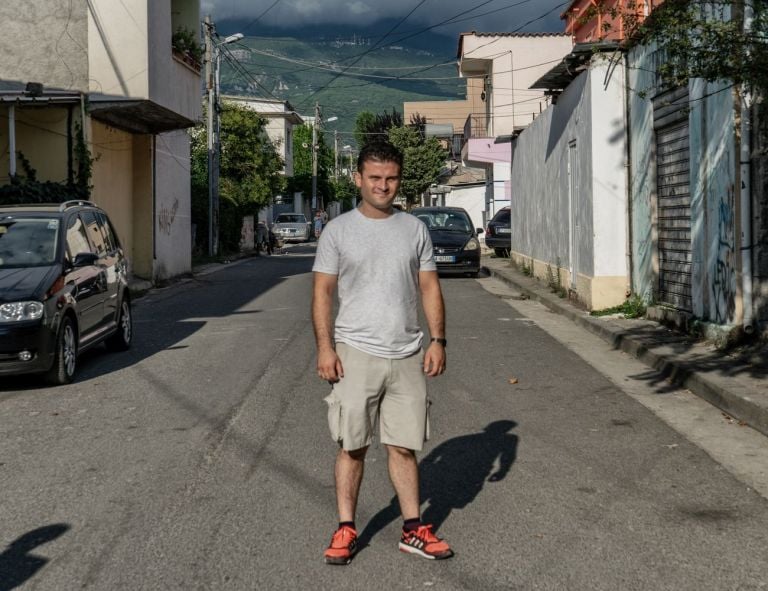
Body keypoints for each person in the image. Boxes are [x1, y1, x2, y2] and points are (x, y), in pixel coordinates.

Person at [312, 141, 452, 565]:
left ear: (398, 179)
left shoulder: (414, 229)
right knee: (352, 445)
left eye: (390, 178)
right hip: (355, 353)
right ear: (358, 179)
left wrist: (438, 340)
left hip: (407, 352)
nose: (383, 185)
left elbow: (429, 287)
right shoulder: (338, 231)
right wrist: (325, 348)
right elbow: (322, 291)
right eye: (374, 178)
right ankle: (345, 529)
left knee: (404, 445)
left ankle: (414, 529)